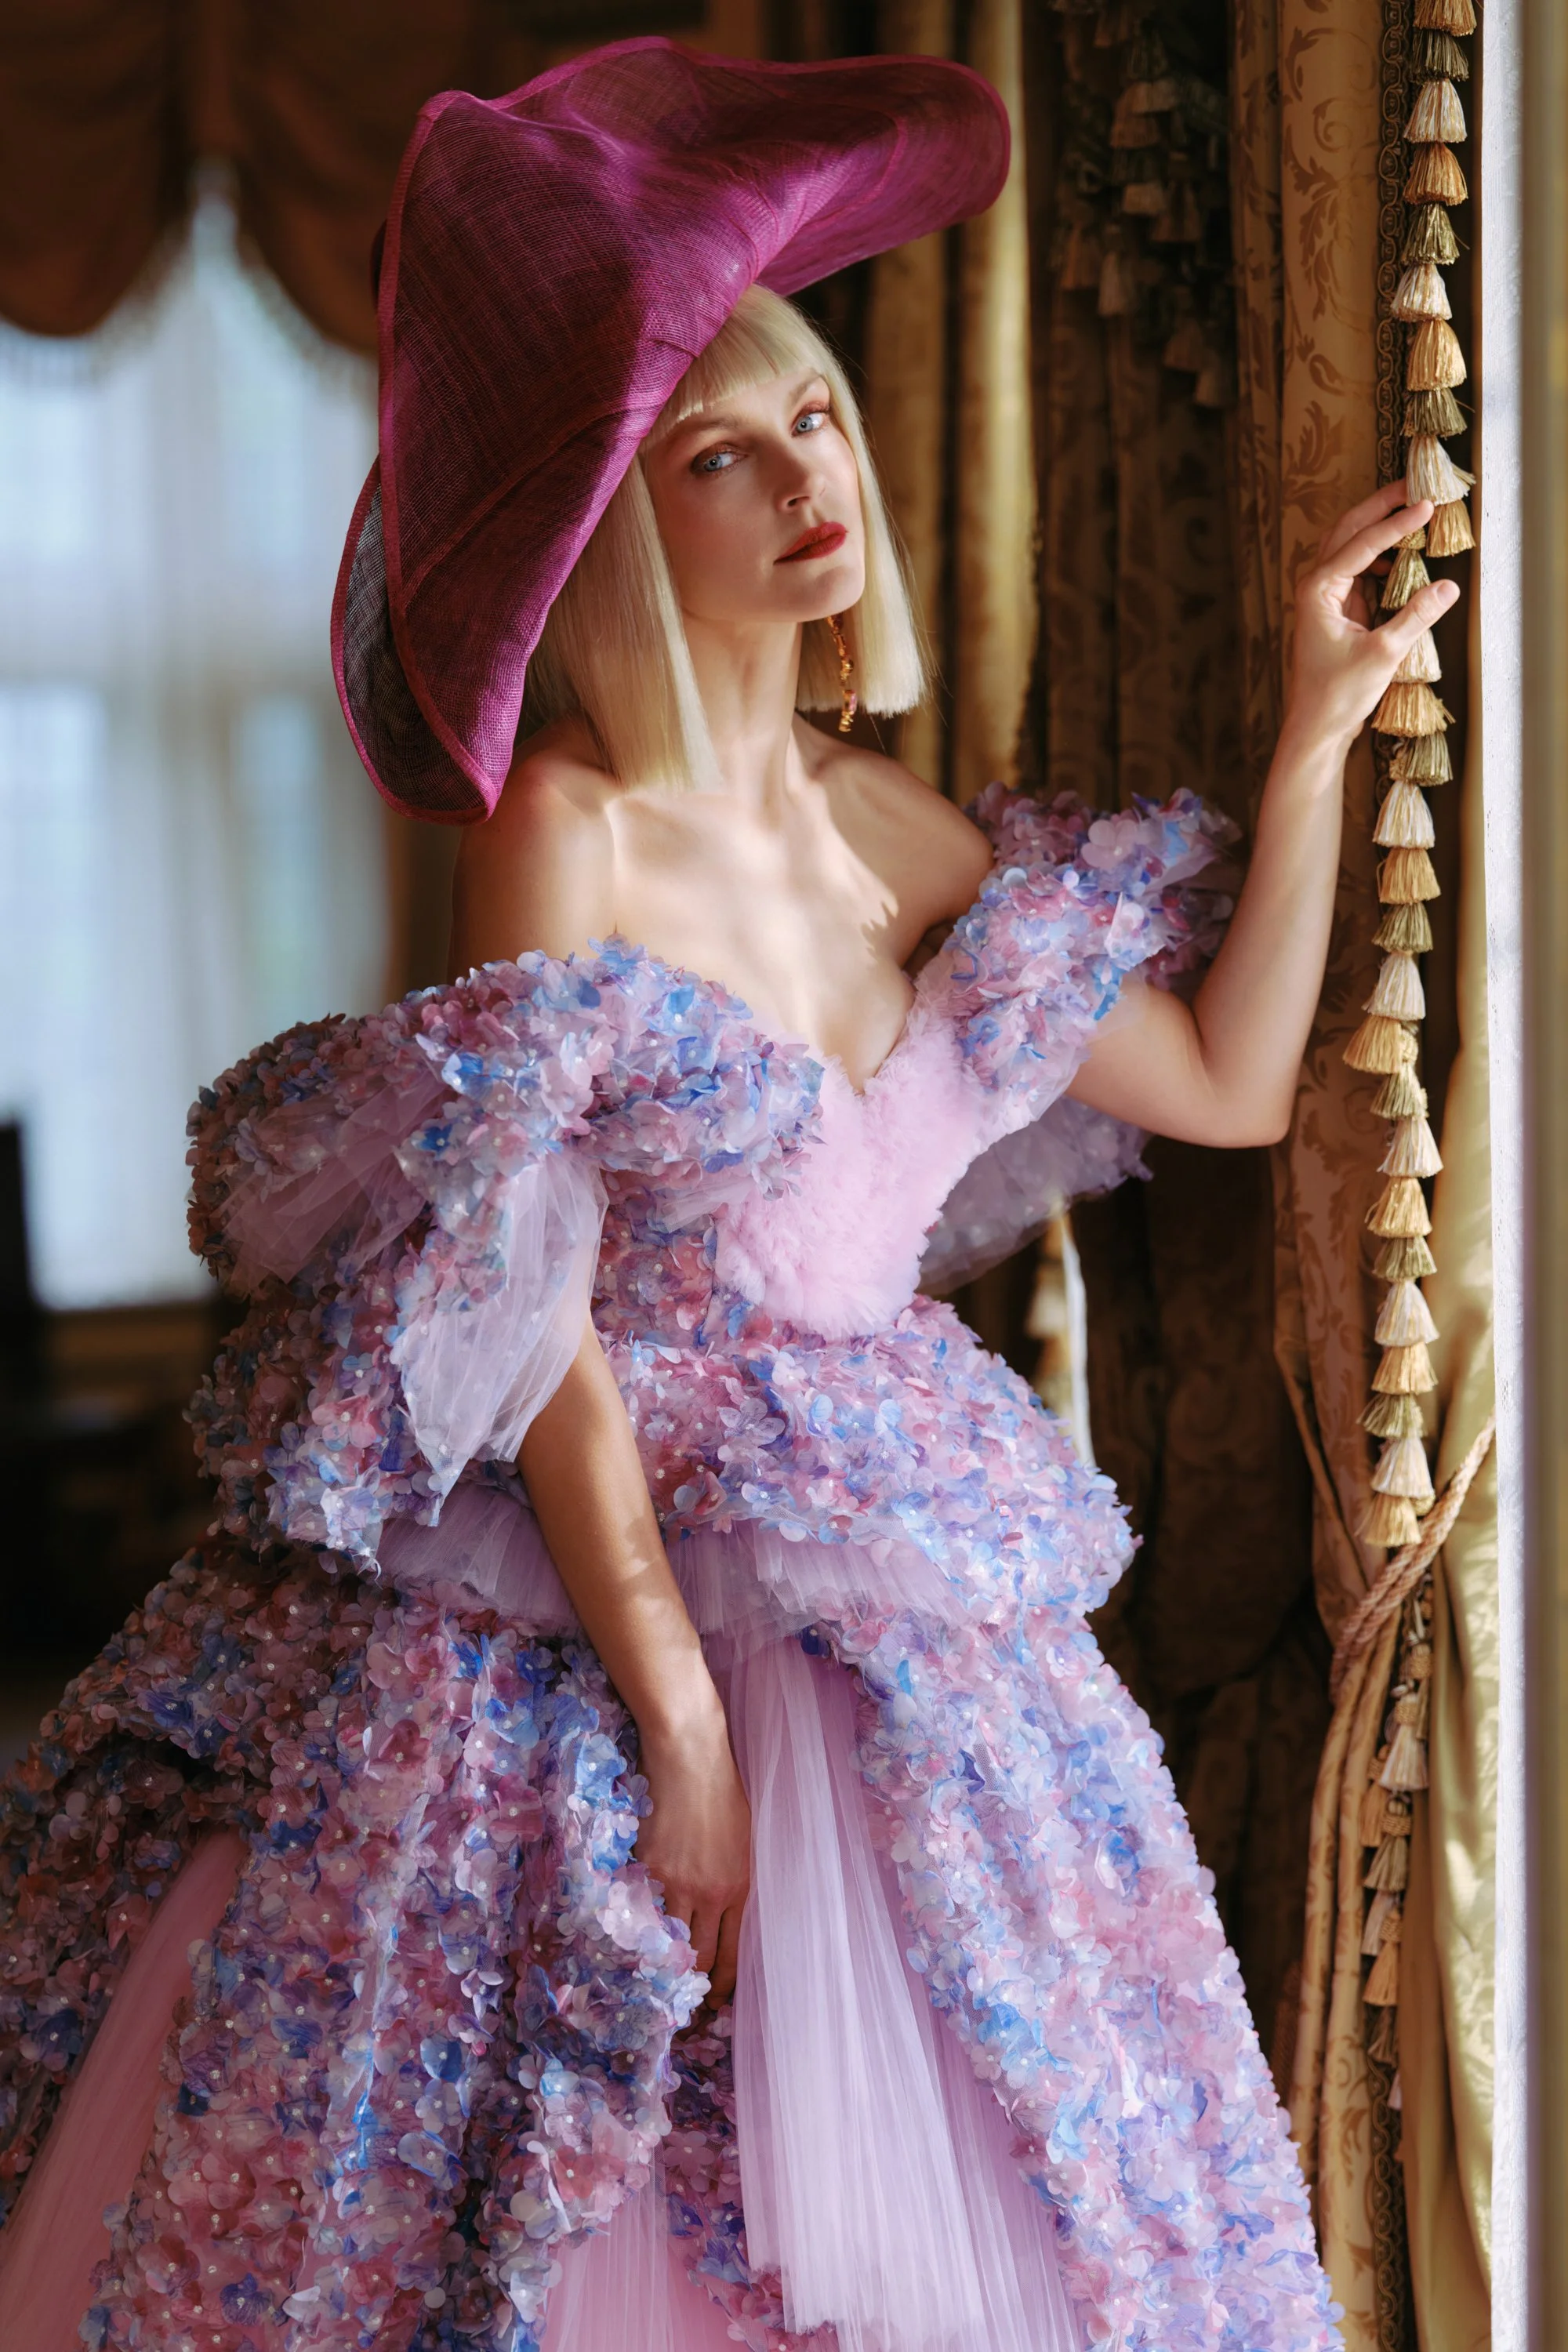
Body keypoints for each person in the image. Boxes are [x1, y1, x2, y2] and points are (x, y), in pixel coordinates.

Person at [0, 38, 1457, 2352]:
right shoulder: (568, 822)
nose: (808, 481)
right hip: (597, 1586)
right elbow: (527, 1298)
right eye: (720, 453)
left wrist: (1311, 739)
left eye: (820, 424)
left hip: (898, 1585)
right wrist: (675, 1721)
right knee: (557, 2162)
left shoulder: (897, 830)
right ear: (617, 521)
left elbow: (1226, 1082)